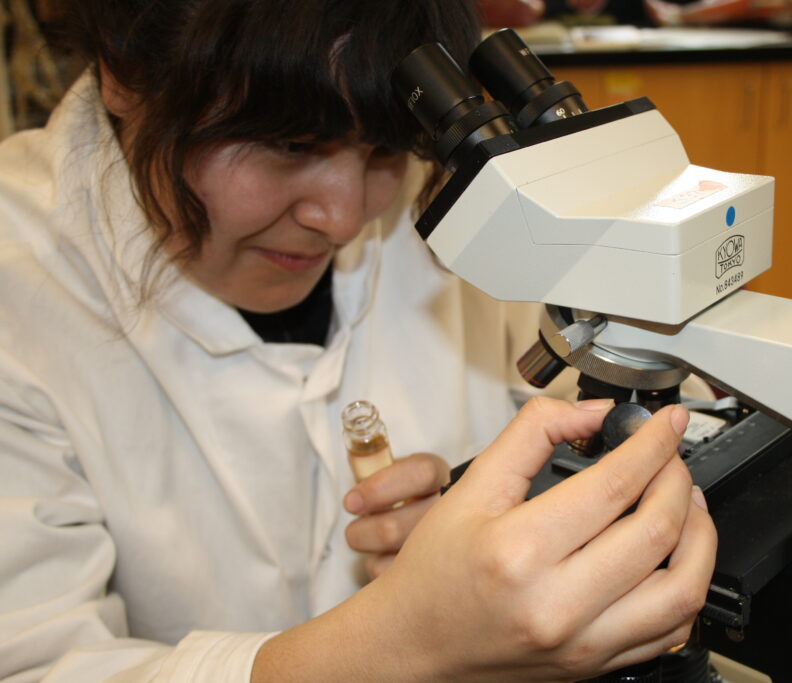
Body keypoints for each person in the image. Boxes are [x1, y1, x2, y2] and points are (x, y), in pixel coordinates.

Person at [0, 1, 717, 680]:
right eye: (288, 145)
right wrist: (407, 639)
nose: (342, 217)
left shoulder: (456, 222)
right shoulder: (21, 283)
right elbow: (34, 660)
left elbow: (601, 396)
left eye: (383, 150)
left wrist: (490, 526)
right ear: (124, 71)